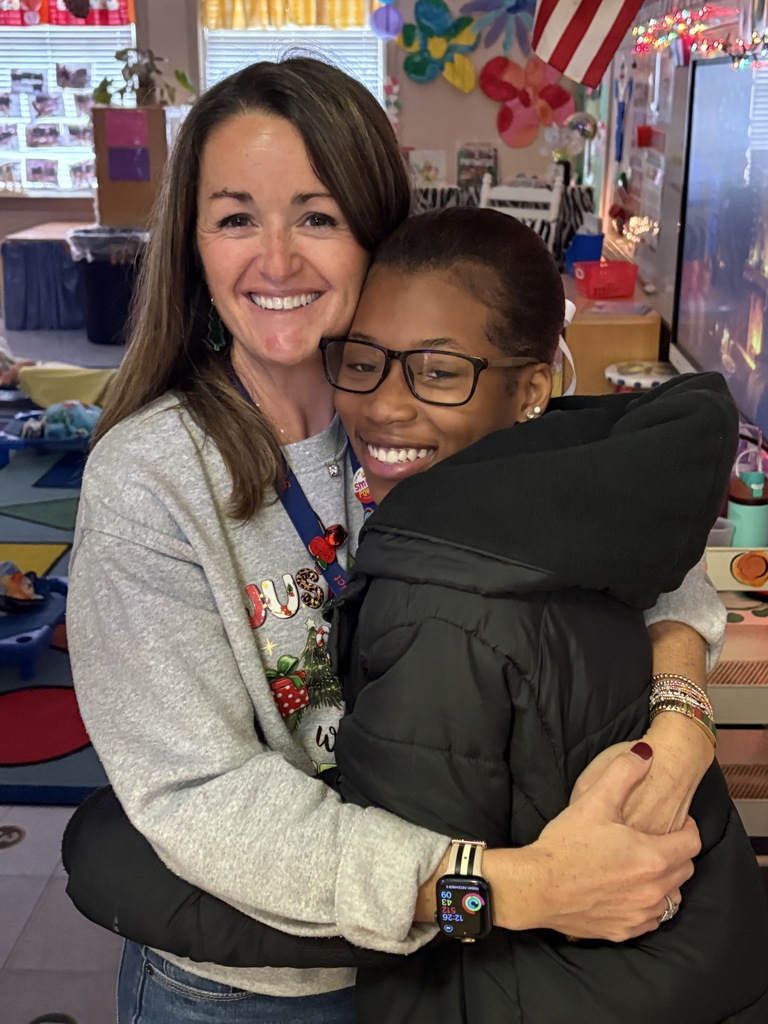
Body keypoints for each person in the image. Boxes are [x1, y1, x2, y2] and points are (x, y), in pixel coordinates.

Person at [64, 58, 730, 1024]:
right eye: (237, 216)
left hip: (455, 971)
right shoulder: (153, 482)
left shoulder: (433, 405)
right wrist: (523, 887)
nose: (278, 260)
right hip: (258, 988)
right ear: (194, 246)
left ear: (380, 234)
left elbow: (629, 538)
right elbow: (203, 798)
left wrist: (680, 726)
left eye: (319, 216)